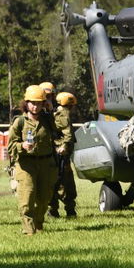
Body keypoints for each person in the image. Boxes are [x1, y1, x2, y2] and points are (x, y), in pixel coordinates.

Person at [7, 84, 65, 236]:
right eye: (32, 102)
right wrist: (22, 146)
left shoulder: (49, 119)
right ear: (26, 103)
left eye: (39, 103)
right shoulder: (19, 122)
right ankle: (28, 230)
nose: (35, 106)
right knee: (27, 198)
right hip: (26, 164)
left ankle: (38, 223)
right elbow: (11, 147)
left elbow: (63, 127)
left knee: (44, 198)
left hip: (46, 164)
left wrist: (52, 110)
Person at [50, 89, 79, 219]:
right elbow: (68, 134)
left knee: (57, 181)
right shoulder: (64, 114)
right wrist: (65, 146)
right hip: (62, 155)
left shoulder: (57, 113)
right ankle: (68, 210)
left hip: (58, 154)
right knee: (65, 183)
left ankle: (54, 210)